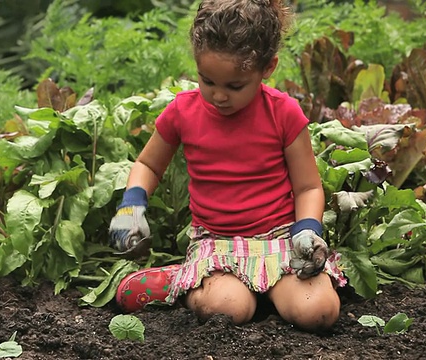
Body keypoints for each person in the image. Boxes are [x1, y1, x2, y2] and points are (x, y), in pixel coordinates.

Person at [108, 0, 347, 332]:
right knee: (227, 309)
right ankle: (184, 280)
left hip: (279, 241)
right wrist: (131, 206)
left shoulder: (284, 113)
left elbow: (307, 187)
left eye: (234, 86)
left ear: (268, 68)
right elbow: (148, 164)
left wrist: (307, 230)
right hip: (217, 242)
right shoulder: (183, 112)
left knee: (319, 313)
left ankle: (235, 287)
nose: (218, 96)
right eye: (207, 81)